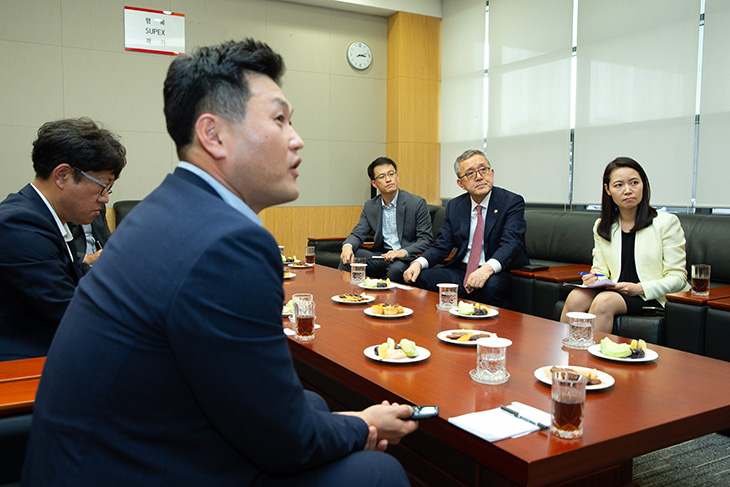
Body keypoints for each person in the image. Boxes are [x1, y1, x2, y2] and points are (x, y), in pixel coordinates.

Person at [22, 39, 417, 487]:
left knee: (315, 404)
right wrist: (365, 426)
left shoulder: (166, 208)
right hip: (128, 468)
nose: (297, 138)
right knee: (377, 471)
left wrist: (340, 421)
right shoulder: (230, 242)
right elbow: (285, 441)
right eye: (279, 119)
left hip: (91, 454)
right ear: (213, 135)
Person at [0, 118, 126, 361]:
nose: (105, 200)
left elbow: (75, 274)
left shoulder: (42, 216)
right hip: (22, 363)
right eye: (103, 187)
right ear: (63, 175)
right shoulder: (19, 226)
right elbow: (70, 309)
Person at [560, 157, 689, 333]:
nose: (627, 190)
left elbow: (678, 278)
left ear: (643, 184)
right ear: (608, 189)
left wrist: (639, 288)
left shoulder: (666, 223)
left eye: (634, 183)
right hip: (616, 290)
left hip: (651, 296)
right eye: (619, 185)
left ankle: (589, 359)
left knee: (604, 301)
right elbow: (601, 270)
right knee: (576, 297)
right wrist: (593, 278)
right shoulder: (602, 226)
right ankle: (565, 355)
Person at [403, 149, 529, 307]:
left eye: (483, 169)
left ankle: (488, 330)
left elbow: (511, 243)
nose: (479, 177)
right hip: (462, 270)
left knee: (490, 286)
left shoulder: (511, 202)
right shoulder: (455, 206)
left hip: (497, 270)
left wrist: (487, 269)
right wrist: (418, 263)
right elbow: (442, 244)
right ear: (460, 183)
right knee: (420, 277)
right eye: (470, 173)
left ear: (492, 172)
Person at [339, 157, 433, 282]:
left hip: (405, 258)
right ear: (374, 183)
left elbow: (426, 240)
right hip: (382, 256)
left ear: (397, 176)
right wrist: (347, 247)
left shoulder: (416, 203)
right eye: (382, 176)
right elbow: (358, 232)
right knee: (351, 258)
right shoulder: (371, 206)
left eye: (391, 174)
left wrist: (402, 252)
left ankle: (384, 301)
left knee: (396, 270)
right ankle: (348, 296)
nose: (388, 179)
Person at [68, 203, 112, 272]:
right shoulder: (65, 208)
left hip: (100, 261)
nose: (106, 199)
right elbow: (62, 247)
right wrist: (87, 258)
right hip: (78, 265)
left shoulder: (99, 205)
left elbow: (107, 237)